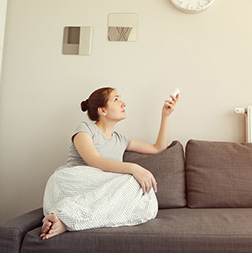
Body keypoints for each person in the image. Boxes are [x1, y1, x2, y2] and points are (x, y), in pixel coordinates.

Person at [40, 87, 179, 240]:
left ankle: (65, 221)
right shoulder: (85, 129)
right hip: (73, 184)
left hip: (100, 192)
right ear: (102, 111)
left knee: (146, 196)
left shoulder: (121, 140)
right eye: (116, 99)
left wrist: (165, 116)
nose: (123, 103)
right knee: (133, 180)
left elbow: (157, 148)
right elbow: (94, 161)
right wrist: (134, 168)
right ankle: (66, 216)